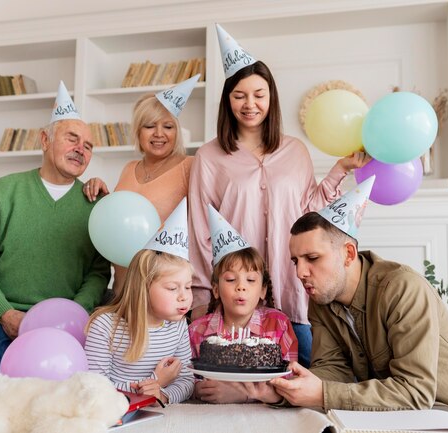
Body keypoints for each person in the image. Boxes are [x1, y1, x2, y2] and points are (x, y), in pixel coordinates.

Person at [245, 177, 448, 433]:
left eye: (312, 259)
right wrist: (285, 391)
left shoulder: (401, 288)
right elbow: (333, 370)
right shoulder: (322, 300)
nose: (300, 273)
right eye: (295, 261)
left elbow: (415, 391)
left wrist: (323, 393)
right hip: (429, 422)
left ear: (348, 254)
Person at [187, 24, 369, 367]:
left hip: (293, 292)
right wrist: (200, 300)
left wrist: (340, 169)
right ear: (227, 100)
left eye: (259, 94)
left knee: (302, 382)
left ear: (272, 98)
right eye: (239, 95)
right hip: (236, 305)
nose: (249, 104)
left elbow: (309, 215)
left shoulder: (295, 151)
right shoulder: (208, 158)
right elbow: (199, 232)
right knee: (234, 393)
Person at [0, 81, 111, 407]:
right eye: (72, 138)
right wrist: (5, 313)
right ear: (45, 139)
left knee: (69, 388)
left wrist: (76, 312)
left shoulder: (94, 205)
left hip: (64, 320)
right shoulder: (3, 192)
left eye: (89, 145)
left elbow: (98, 272)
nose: (81, 149)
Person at [83, 75, 200, 295]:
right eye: (149, 126)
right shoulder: (129, 168)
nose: (159, 134)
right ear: (138, 132)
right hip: (123, 288)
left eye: (168, 126)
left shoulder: (190, 166)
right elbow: (116, 218)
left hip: (164, 291)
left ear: (177, 132)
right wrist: (98, 188)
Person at [85, 198, 195, 404]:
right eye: (173, 288)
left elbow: (187, 380)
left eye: (188, 286)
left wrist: (162, 395)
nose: (184, 296)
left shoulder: (178, 326)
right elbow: (94, 387)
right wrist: (155, 382)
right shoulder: (105, 327)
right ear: (143, 288)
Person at [188, 206, 297, 403]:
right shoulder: (197, 330)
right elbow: (186, 378)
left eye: (250, 280)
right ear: (215, 289)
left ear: (263, 290)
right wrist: (197, 389)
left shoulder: (278, 325)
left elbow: (291, 379)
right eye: (230, 280)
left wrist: (243, 395)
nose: (241, 287)